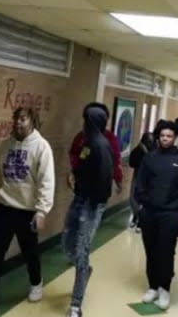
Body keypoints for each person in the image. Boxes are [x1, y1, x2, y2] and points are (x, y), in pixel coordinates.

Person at [0, 107, 56, 317]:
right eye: (16, 119)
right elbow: (1, 175)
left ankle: (36, 282)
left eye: (23, 119)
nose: (18, 123)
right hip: (4, 209)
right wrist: (2, 197)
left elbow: (47, 181)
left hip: (27, 212)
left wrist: (41, 211)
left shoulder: (42, 147)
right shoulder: (6, 145)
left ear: (32, 121)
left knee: (30, 252)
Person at [134, 120, 178, 311]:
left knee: (166, 252)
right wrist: (142, 206)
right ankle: (152, 287)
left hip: (171, 214)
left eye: (169, 136)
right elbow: (140, 183)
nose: (165, 139)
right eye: (162, 136)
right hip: (149, 213)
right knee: (150, 250)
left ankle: (164, 288)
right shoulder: (149, 159)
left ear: (175, 138)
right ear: (158, 137)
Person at [62, 105, 114, 317]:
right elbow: (82, 163)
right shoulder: (87, 142)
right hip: (79, 199)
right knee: (67, 244)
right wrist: (74, 175)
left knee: (82, 252)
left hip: (91, 205)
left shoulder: (101, 146)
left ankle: (76, 305)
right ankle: (85, 272)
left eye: (86, 120)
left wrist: (92, 205)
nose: (82, 123)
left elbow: (105, 182)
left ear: (93, 122)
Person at [68, 102, 123, 195]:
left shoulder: (109, 139)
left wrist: (118, 179)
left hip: (98, 190)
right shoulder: (81, 137)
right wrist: (73, 172)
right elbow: (75, 155)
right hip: (82, 187)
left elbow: (115, 160)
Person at [127, 131, 155, 230]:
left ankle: (140, 222)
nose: (149, 143)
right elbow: (131, 162)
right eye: (147, 141)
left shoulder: (154, 151)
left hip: (148, 179)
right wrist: (140, 151)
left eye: (150, 141)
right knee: (132, 198)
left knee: (143, 201)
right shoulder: (138, 150)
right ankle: (136, 216)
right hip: (137, 176)